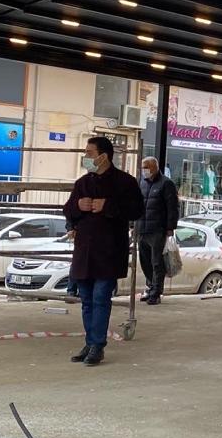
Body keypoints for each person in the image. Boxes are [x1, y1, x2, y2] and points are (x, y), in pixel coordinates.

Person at [64, 137, 144, 366]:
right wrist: (77, 206)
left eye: (89, 153)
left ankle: (97, 345)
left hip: (109, 250)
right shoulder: (82, 183)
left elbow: (137, 210)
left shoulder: (125, 182)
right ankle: (90, 342)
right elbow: (67, 210)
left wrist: (108, 206)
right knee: (87, 300)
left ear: (103, 156)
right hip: (84, 251)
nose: (86, 157)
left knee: (100, 298)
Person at [137, 156, 179, 306]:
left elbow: (173, 207)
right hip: (142, 229)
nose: (144, 170)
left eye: (146, 167)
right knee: (145, 262)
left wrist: (170, 227)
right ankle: (150, 288)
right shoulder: (141, 182)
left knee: (157, 263)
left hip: (157, 230)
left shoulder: (166, 184)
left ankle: (156, 292)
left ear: (155, 167)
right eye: (143, 167)